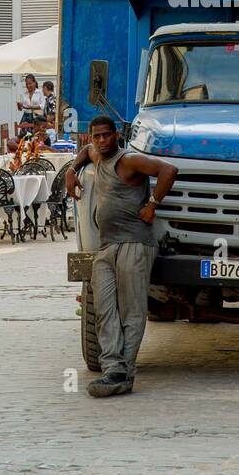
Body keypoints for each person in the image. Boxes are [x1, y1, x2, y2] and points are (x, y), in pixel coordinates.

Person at [66, 116, 178, 397]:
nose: (101, 141)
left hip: (134, 244)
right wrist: (72, 169)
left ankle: (122, 372)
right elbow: (84, 154)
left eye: (106, 135)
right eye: (96, 137)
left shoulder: (128, 160)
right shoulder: (95, 153)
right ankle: (113, 368)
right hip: (107, 248)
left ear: (117, 135)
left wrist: (152, 204)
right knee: (104, 308)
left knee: (132, 310)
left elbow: (169, 170)